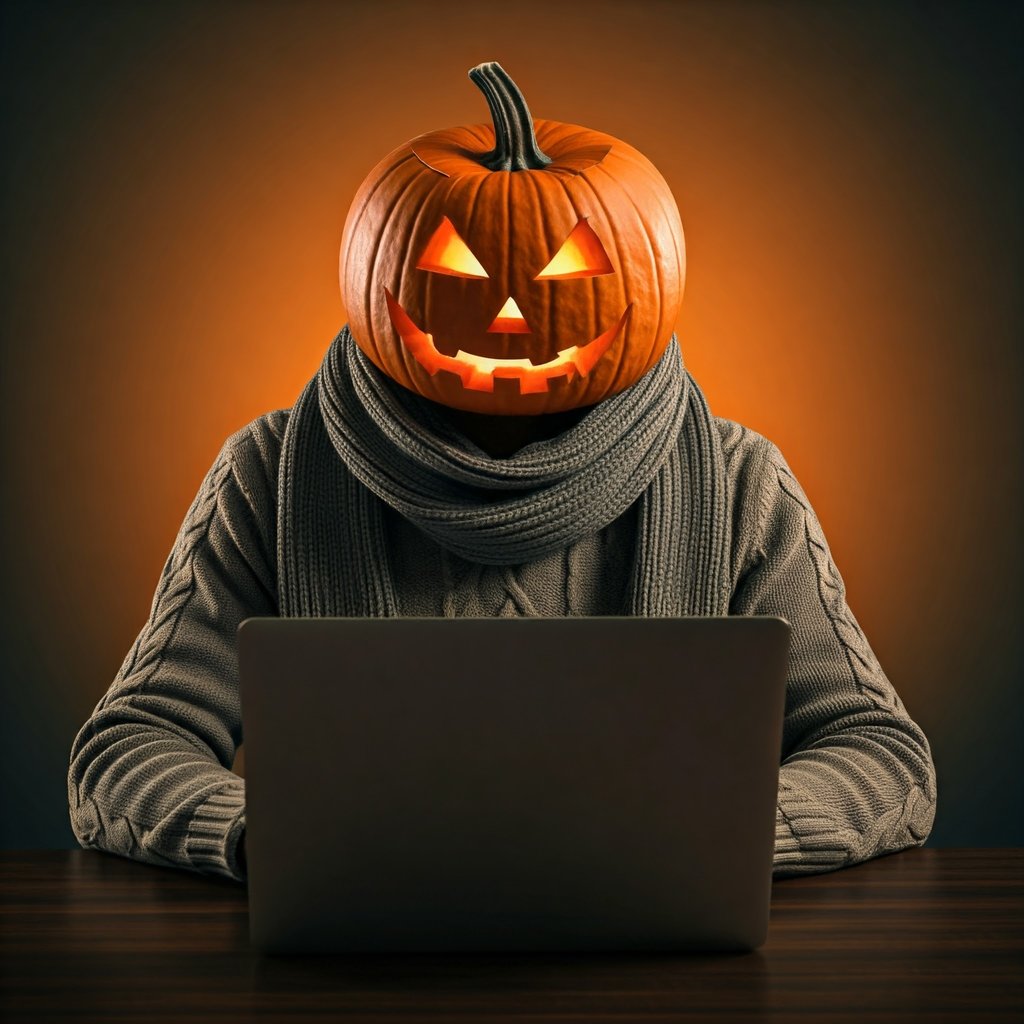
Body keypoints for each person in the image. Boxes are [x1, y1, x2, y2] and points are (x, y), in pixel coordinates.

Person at [67, 61, 936, 883]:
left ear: (646, 274)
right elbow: (129, 748)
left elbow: (880, 755)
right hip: (352, 976)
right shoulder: (268, 473)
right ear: (383, 268)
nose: (514, 311)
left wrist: (718, 834)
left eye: (569, 270)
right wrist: (275, 839)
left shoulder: (743, 485)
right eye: (456, 267)